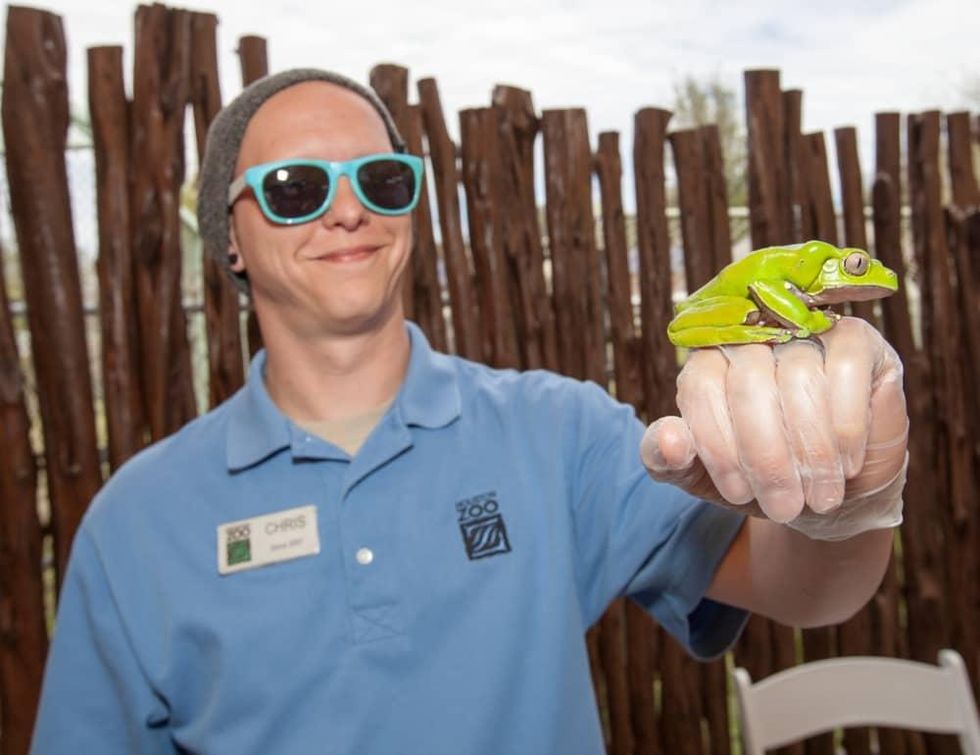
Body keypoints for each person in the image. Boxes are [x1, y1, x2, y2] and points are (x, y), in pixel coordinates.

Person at [30, 68, 909, 754]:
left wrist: (852, 498)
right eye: (297, 185)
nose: (347, 210)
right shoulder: (136, 524)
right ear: (226, 236)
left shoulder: (557, 433)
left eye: (380, 178)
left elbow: (800, 587)